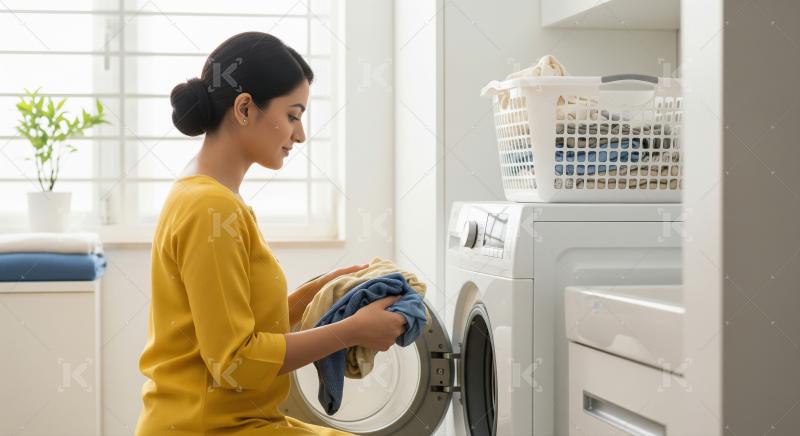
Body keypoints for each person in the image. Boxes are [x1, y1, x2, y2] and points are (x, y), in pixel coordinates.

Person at [134, 32, 406, 435]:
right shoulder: (211, 209)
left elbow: (234, 322)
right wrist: (353, 330)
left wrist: (317, 293)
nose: (300, 135)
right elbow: (234, 362)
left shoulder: (209, 196)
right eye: (293, 115)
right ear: (244, 108)